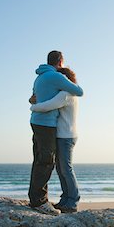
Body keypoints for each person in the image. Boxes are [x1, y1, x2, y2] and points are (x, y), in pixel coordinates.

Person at [29, 50, 83, 216]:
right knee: (50, 163)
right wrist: (35, 104)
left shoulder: (43, 80)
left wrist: (33, 106)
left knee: (56, 166)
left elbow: (43, 103)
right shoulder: (60, 83)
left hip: (62, 134)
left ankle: (69, 201)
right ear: (60, 61)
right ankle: (49, 200)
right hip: (52, 129)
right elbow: (79, 90)